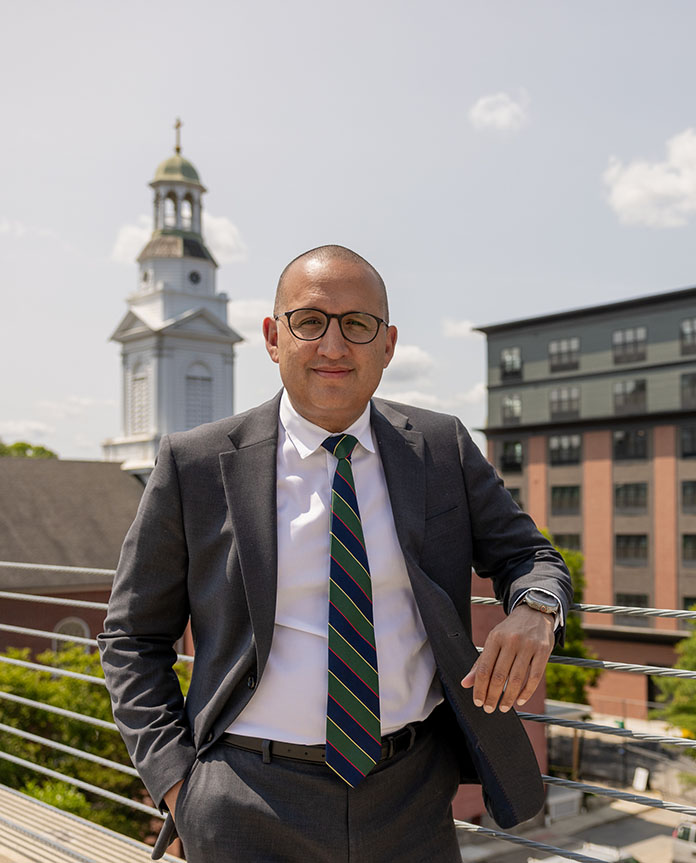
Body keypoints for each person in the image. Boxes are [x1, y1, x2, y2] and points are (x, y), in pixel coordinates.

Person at [99, 245, 572, 862]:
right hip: (246, 801)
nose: (332, 345)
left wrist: (535, 610)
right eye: (310, 321)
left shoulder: (440, 447)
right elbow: (131, 636)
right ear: (274, 337)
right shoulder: (194, 464)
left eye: (357, 324)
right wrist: (179, 785)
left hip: (410, 798)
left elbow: (531, 556)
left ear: (388, 344)